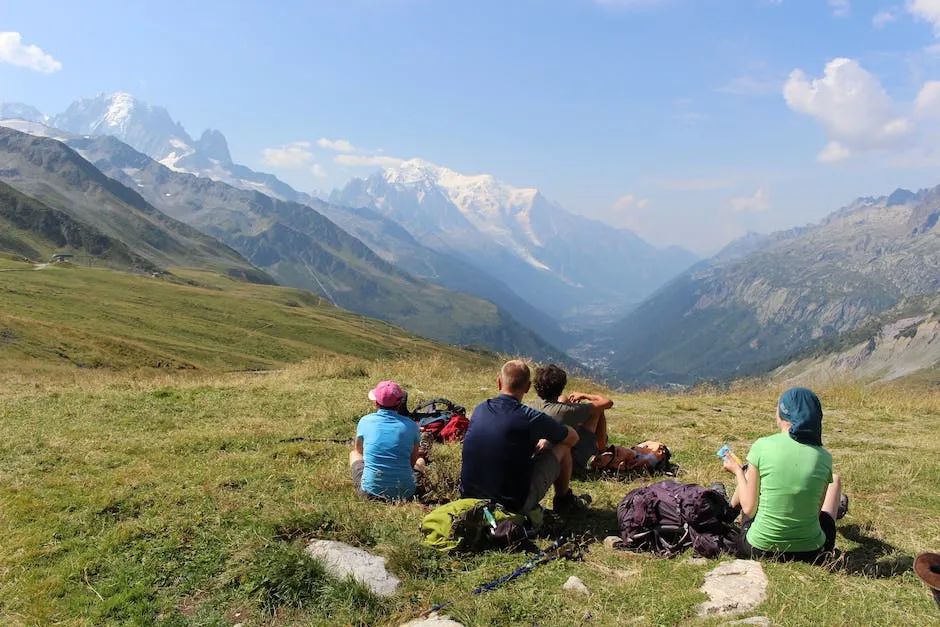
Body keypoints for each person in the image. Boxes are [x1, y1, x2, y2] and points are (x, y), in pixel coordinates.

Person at [722, 387, 848, 562]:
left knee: (748, 475)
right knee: (835, 479)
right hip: (812, 552)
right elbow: (816, 513)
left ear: (781, 413)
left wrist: (737, 471)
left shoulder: (762, 445)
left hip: (759, 548)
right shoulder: (824, 457)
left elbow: (749, 509)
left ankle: (725, 515)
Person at [460, 360, 588, 514]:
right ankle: (564, 501)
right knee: (562, 447)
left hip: (468, 499)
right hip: (511, 504)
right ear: (527, 387)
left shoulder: (480, 409)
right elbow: (572, 438)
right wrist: (551, 437)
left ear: (499, 382)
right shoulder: (530, 417)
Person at [349, 380, 424, 501]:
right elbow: (412, 462)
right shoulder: (412, 426)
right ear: (400, 403)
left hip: (369, 493)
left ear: (376, 403)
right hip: (406, 494)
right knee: (420, 461)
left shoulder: (365, 421)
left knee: (354, 453)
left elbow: (359, 451)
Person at [531, 364, 613, 473]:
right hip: (571, 462)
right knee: (598, 410)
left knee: (564, 399)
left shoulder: (531, 406)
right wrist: (584, 395)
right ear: (561, 386)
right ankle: (601, 449)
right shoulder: (566, 411)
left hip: (543, 455)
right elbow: (607, 402)